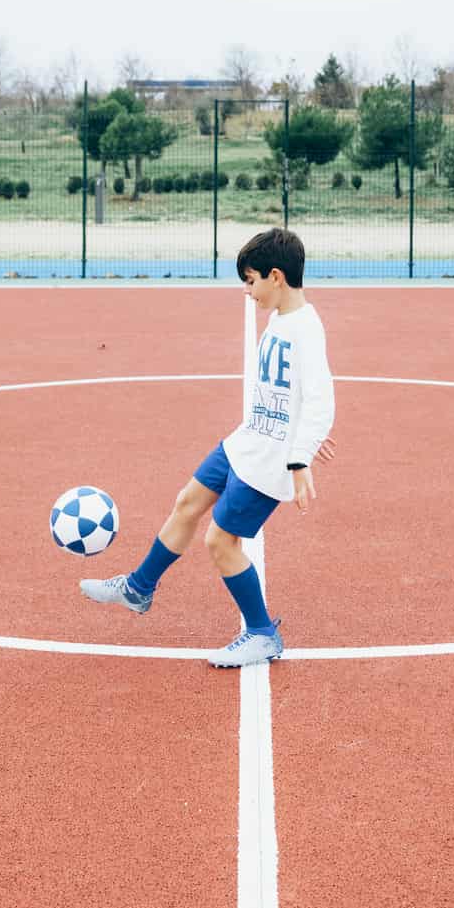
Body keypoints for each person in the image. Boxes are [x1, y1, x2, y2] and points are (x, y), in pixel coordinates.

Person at [80, 227, 336, 667]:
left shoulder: (306, 329)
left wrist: (301, 455)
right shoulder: (280, 318)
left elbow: (321, 398)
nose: (247, 291)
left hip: (270, 460)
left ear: (276, 277)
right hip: (247, 439)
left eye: (251, 280)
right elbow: (293, 391)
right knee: (187, 502)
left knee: (220, 542)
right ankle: (138, 589)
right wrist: (303, 427)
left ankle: (262, 634)